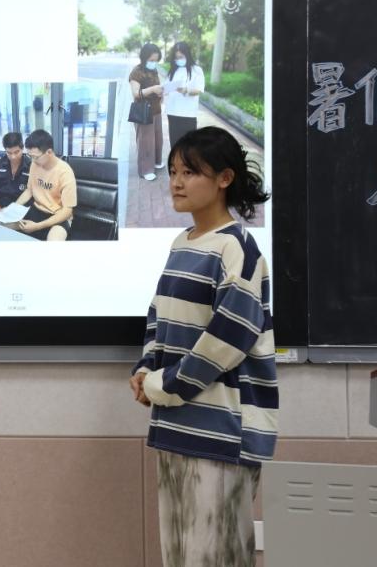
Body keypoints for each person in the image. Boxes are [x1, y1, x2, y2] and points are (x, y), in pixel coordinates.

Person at [127, 126, 277, 567]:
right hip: (177, 423)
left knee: (216, 556)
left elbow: (227, 340)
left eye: (190, 172)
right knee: (180, 555)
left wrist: (163, 386)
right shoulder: (182, 243)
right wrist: (145, 368)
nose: (176, 182)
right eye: (173, 171)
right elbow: (159, 316)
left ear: (225, 178)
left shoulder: (238, 249)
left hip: (223, 432)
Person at [11, 130, 77, 241]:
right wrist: (13, 208)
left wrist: (37, 226)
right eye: (30, 156)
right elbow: (29, 191)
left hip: (58, 215)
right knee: (3, 224)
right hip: (37, 210)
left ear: (49, 152)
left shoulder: (65, 172)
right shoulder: (34, 164)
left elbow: (67, 211)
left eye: (36, 157)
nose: (33, 160)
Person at [128, 43, 165, 181]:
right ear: (144, 58)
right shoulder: (137, 72)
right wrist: (153, 89)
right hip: (143, 111)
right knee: (146, 141)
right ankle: (146, 170)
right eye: (151, 60)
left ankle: (156, 162)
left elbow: (157, 87)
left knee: (158, 139)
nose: (154, 62)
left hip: (156, 110)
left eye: (156, 60)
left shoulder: (153, 70)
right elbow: (136, 93)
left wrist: (161, 92)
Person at [163, 41, 205, 150]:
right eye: (176, 58)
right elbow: (166, 87)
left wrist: (186, 90)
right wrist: (164, 90)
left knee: (188, 146)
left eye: (181, 57)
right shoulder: (173, 70)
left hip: (188, 114)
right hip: (173, 112)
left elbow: (199, 90)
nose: (178, 60)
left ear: (187, 55)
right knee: (175, 144)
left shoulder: (196, 70)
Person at [0, 131, 31, 213]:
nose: (13, 157)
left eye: (16, 152)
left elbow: (31, 191)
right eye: (9, 153)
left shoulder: (31, 166)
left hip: (20, 205)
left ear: (22, 148)